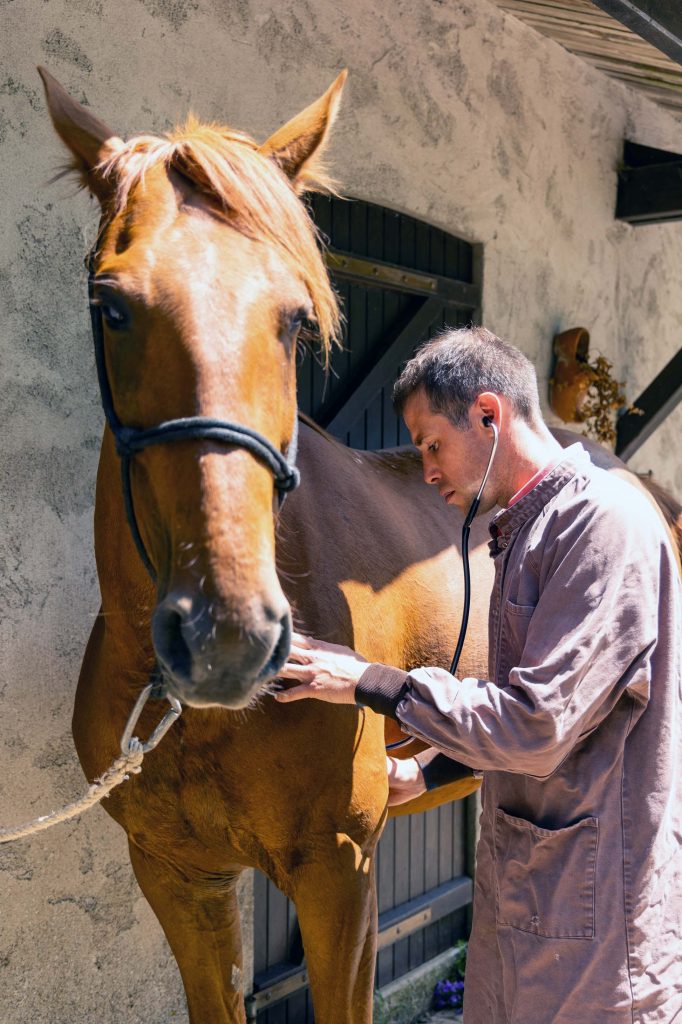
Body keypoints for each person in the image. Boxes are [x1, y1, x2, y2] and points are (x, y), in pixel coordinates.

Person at [275, 327, 682, 1024]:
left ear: (490, 415)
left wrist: (368, 681)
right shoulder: (528, 529)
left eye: (433, 443)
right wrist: (430, 773)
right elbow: (532, 704)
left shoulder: (600, 527)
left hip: (598, 939)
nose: (425, 467)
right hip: (530, 916)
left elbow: (536, 722)